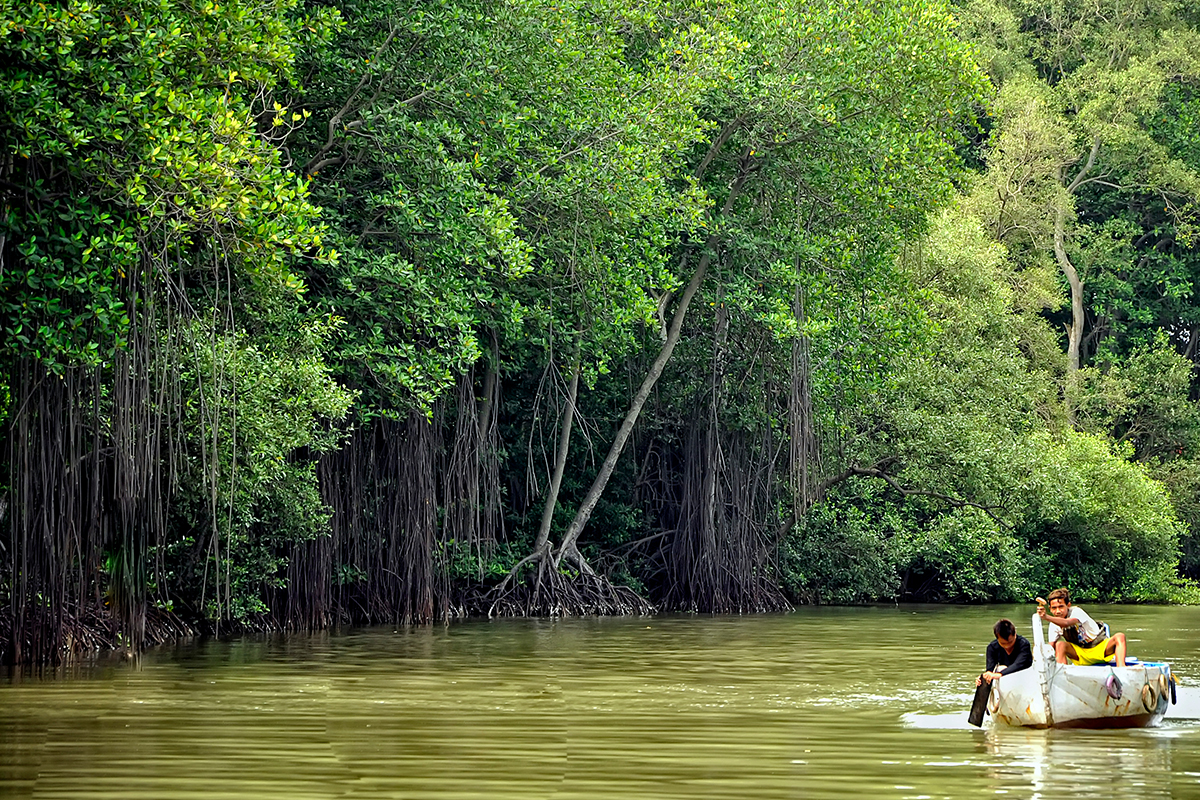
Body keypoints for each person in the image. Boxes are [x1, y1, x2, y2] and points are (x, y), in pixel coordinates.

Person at [1037, 587, 1127, 667]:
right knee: (1060, 645)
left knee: (1120, 636)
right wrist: (1039, 652)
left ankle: (1121, 669)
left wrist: (1046, 617)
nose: (1058, 611)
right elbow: (1051, 646)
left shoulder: (1076, 611)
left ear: (1068, 605)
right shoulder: (1054, 623)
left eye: (1061, 607)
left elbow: (1067, 622)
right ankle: (1063, 672)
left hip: (1100, 649)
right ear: (1050, 608)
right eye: (1054, 608)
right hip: (1080, 654)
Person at [975, 618, 1033, 687]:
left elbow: (1018, 664)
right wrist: (983, 677)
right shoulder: (992, 647)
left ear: (1015, 634)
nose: (1007, 646)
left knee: (1001, 669)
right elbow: (990, 669)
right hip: (1005, 681)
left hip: (1024, 678)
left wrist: (1000, 674)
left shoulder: (1024, 644)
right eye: (1003, 643)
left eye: (1010, 642)